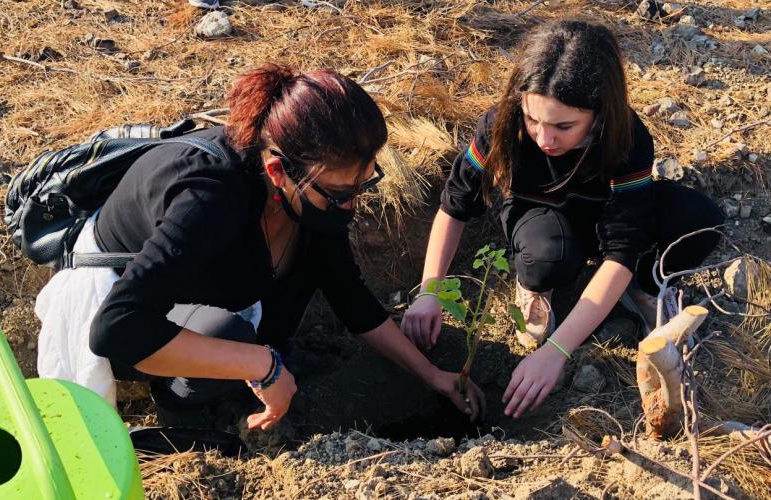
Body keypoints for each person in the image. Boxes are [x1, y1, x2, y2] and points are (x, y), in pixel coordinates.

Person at [35, 64, 482, 431]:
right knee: (226, 336)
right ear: (276, 171)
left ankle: (236, 366)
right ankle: (183, 406)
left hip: (200, 285)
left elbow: (350, 296)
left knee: (304, 269)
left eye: (362, 184)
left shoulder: (311, 200)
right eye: (341, 191)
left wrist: (429, 374)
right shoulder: (209, 196)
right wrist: (261, 364)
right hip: (120, 297)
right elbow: (118, 328)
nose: (353, 202)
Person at [401, 20, 722, 420]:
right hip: (539, 216)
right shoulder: (500, 125)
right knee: (548, 257)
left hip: (605, 213)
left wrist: (557, 351)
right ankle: (537, 285)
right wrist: (431, 291)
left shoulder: (627, 138)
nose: (544, 138)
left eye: (563, 126)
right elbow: (455, 206)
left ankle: (640, 288)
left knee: (702, 220)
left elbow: (623, 243)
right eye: (534, 119)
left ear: (600, 112)